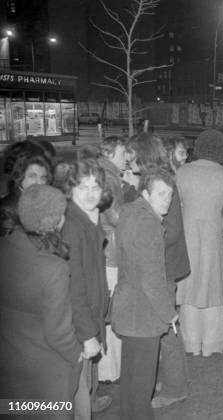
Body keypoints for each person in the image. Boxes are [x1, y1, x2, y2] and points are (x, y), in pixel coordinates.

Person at [0, 185, 84, 420]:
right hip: (48, 377)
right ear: (55, 221)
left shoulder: (5, 247)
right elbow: (58, 333)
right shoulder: (53, 269)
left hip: (10, 368)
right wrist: (76, 354)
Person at [111, 167, 178, 420]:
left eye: (170, 195)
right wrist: (168, 313)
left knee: (130, 380)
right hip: (143, 314)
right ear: (147, 195)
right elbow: (152, 279)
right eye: (161, 194)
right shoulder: (149, 224)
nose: (167, 200)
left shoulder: (130, 212)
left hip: (127, 307)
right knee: (142, 386)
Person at [176, 130, 223, 356]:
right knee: (211, 287)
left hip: (186, 236)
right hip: (213, 238)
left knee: (188, 287)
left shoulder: (182, 172)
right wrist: (219, 228)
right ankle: (211, 343)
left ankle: (190, 342)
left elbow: (176, 206)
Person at [57, 159, 112, 418]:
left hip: (87, 320)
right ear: (70, 189)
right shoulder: (72, 228)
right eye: (83, 187)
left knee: (83, 389)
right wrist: (88, 335)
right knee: (77, 397)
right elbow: (74, 287)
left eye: (96, 187)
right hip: (79, 329)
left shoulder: (87, 220)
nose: (90, 194)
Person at [96, 136, 128, 383]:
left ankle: (110, 367)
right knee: (111, 310)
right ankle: (110, 370)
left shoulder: (104, 173)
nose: (125, 156)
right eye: (121, 152)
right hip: (111, 251)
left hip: (105, 248)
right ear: (110, 153)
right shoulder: (110, 177)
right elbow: (116, 216)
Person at [0, 154, 51, 237]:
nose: (39, 182)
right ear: (19, 177)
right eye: (32, 176)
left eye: (43, 178)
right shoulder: (5, 210)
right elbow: (10, 247)